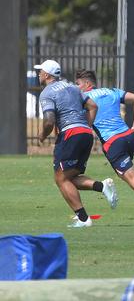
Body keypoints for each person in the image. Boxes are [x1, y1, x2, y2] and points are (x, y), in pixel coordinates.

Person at [36, 60, 118, 228]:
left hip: (70, 134)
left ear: (46, 75)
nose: (38, 74)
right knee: (69, 177)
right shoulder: (72, 87)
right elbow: (92, 106)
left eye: (40, 71)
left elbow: (49, 121)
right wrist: (86, 126)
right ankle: (102, 186)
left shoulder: (46, 93)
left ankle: (83, 219)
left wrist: (42, 136)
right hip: (85, 134)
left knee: (60, 178)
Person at [75, 69, 134, 206]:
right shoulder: (111, 91)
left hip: (114, 143)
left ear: (87, 83)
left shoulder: (85, 99)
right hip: (128, 138)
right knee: (133, 181)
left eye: (78, 84)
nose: (77, 88)